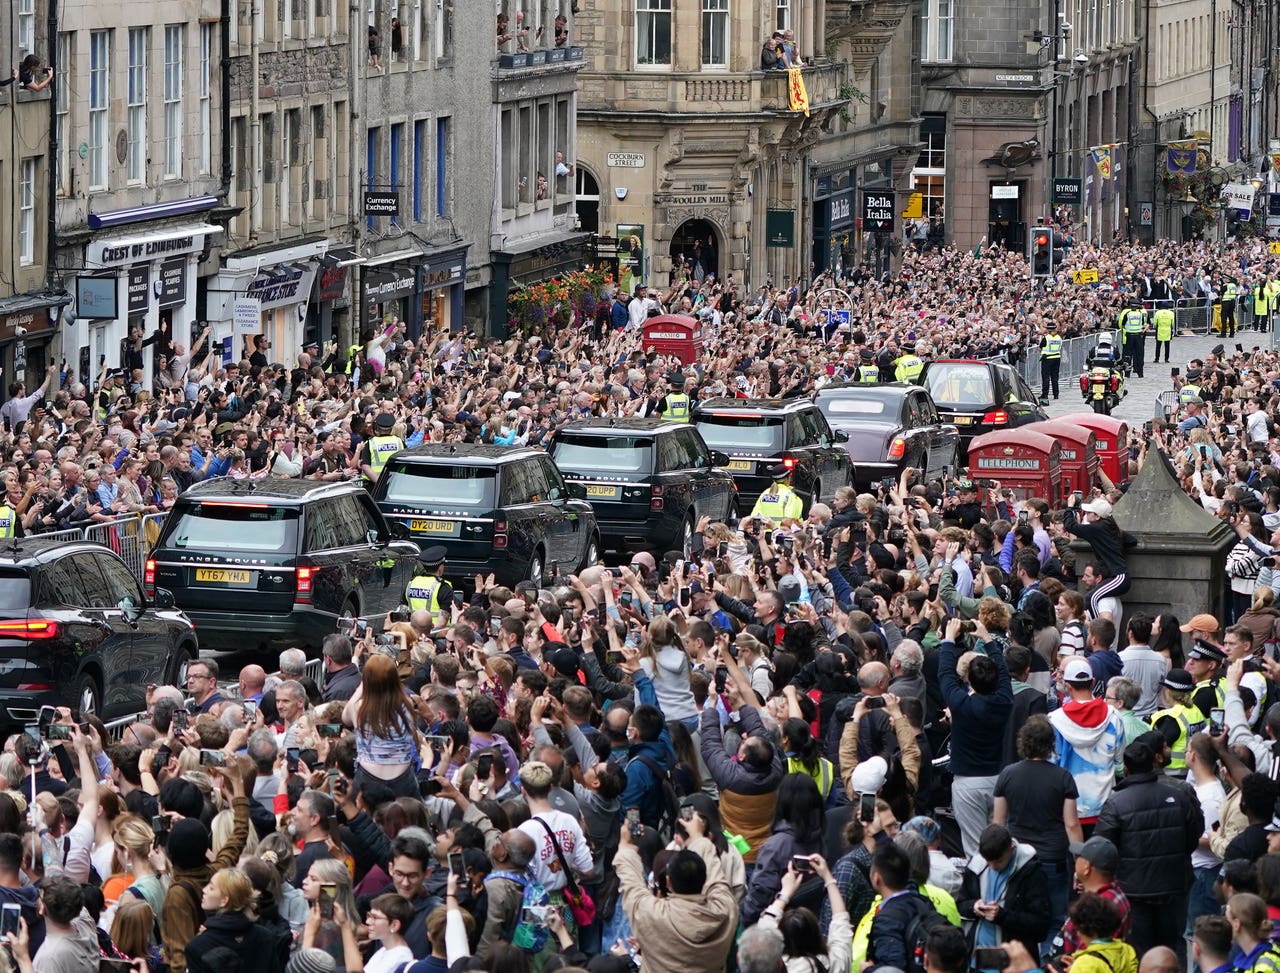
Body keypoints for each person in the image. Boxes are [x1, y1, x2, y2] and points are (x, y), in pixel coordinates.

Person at [1093, 740, 1203, 956]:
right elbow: (1193, 836)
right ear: (1154, 762)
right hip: (1173, 885)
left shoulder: (1116, 803)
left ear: (1125, 768)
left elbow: (1103, 848)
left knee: (1139, 950)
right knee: (1172, 946)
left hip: (1134, 889)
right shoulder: (1179, 796)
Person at [993, 716, 1082, 954]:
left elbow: (998, 822)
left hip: (1018, 857)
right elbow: (1072, 824)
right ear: (1050, 744)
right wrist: (1080, 861)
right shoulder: (1062, 777)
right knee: (1054, 919)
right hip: (1053, 857)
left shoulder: (1008, 774)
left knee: (1018, 914)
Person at [615, 803, 738, 972]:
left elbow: (632, 885)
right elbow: (715, 875)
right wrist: (697, 837)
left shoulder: (653, 915)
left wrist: (626, 847)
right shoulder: (724, 909)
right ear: (705, 881)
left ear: (668, 882)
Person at [939, 617, 1013, 856]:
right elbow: (1003, 672)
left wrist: (949, 640)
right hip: (998, 779)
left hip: (968, 782)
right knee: (1001, 846)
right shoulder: (1004, 700)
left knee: (974, 850)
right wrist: (988, 640)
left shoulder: (961, 703)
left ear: (969, 680)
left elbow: (945, 676)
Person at [957, 824, 1052, 962]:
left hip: (1014, 962)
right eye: (988, 862)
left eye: (999, 861)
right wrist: (973, 907)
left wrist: (1002, 916)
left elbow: (1040, 925)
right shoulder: (976, 866)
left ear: (1012, 849)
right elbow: (960, 904)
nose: (993, 867)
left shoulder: (1031, 872)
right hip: (976, 958)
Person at [342, 653, 422, 798]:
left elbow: (345, 719)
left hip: (368, 778)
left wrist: (362, 685)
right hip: (403, 779)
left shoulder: (358, 707)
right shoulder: (407, 704)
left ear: (367, 681)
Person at [186, 868, 288, 973]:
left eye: (211, 888)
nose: (204, 890)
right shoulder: (266, 937)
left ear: (224, 901)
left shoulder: (197, 946)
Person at [1064, 495, 1138, 620]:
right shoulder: (1110, 528)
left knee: (1091, 598)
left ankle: (1095, 628)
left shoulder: (1096, 528)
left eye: (1089, 512)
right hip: (1117, 577)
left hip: (1118, 576)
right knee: (1092, 597)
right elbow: (1132, 541)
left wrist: (1070, 507)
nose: (1086, 514)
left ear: (1097, 516)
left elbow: (1070, 526)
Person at [1063, 893, 1138, 973]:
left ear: (1090, 930)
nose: (1078, 934)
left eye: (1078, 929)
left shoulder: (1085, 964)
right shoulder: (1127, 950)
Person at [405, 546, 452, 627]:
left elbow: (403, 611)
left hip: (413, 632)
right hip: (435, 635)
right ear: (440, 567)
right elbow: (441, 623)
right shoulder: (443, 587)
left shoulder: (412, 583)